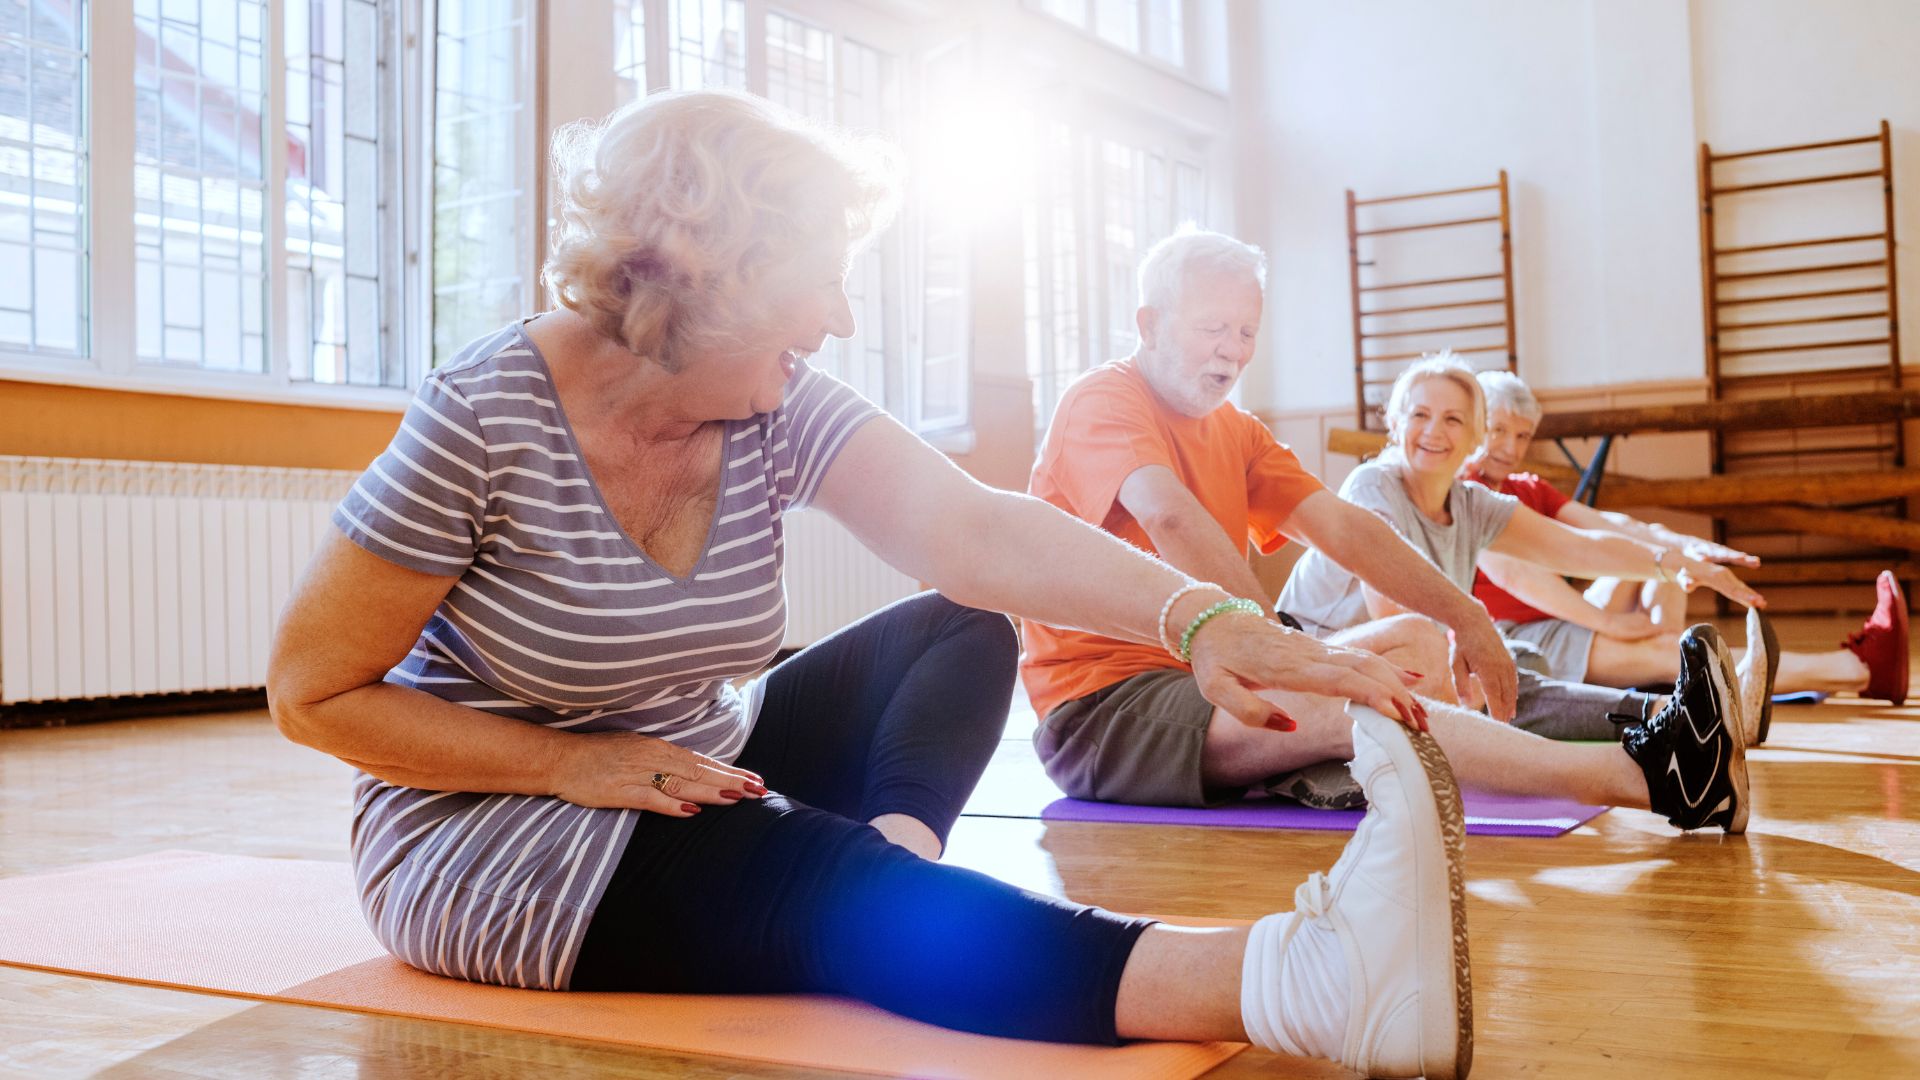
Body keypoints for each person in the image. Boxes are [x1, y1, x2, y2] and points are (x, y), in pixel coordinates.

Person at [266, 92, 1471, 1078]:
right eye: (820, 279)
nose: (842, 317)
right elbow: (312, 693)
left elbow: (972, 530)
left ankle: (892, 874)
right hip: (491, 834)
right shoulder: (485, 417)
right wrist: (568, 764)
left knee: (959, 628)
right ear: (704, 269)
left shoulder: (769, 401)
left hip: (694, 766)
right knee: (821, 887)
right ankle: (1296, 984)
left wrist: (1204, 617)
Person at [1023, 230, 1753, 834]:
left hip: (1211, 678)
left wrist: (1465, 616)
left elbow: (1341, 527)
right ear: (1150, 325)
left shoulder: (1235, 431)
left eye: (1247, 331)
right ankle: (1650, 778)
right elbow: (1169, 514)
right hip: (1108, 710)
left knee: (1416, 641)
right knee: (1357, 701)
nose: (1232, 350)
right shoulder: (1103, 400)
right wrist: (1273, 649)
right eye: (1213, 328)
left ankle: (1319, 767)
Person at [1466, 369, 1910, 735]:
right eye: (1498, 430)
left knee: (1653, 549)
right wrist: (1611, 624)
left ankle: (1665, 667)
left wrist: (1685, 549)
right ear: (1474, 425)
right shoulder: (1467, 492)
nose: (1510, 447)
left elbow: (1612, 526)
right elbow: (1520, 578)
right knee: (1668, 639)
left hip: (1554, 621)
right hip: (1519, 641)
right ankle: (1859, 670)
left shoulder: (1524, 487)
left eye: (1522, 435)